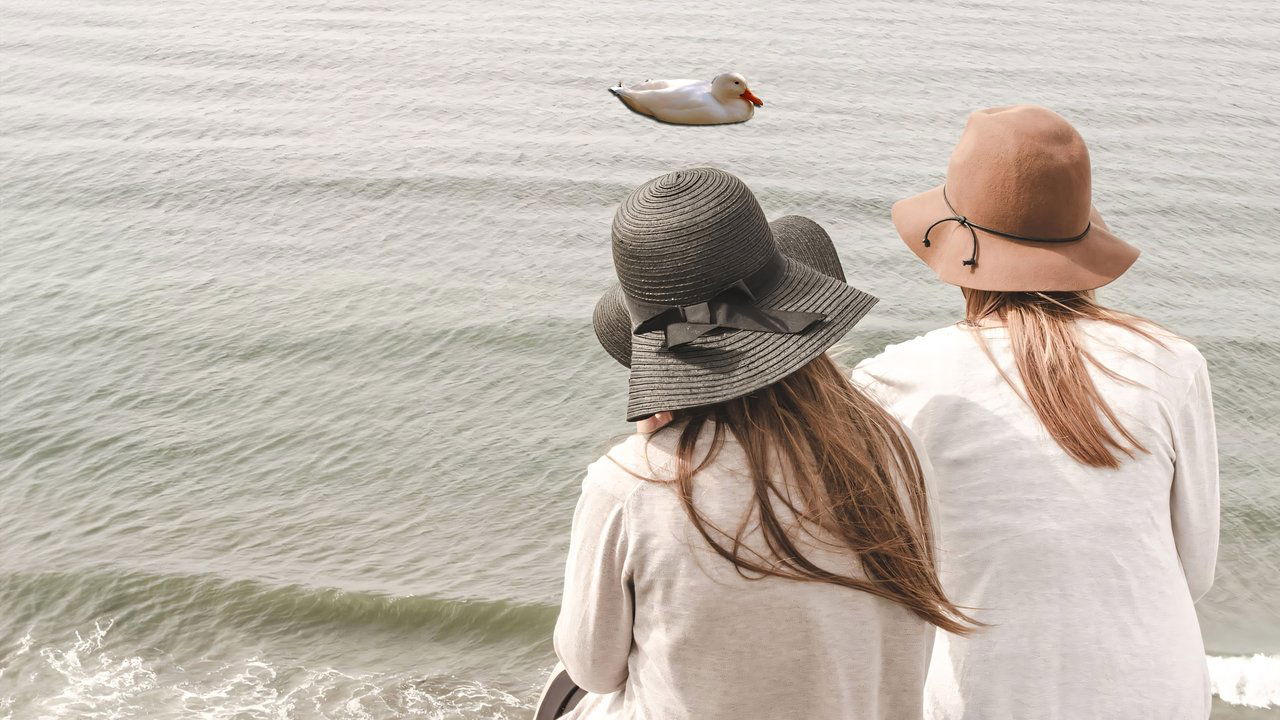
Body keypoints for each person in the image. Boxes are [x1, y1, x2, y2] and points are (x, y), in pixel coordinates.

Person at [552, 167, 975, 720]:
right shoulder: (894, 446)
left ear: (663, 357)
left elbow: (592, 668)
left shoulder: (633, 486)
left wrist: (649, 452)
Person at [851, 105, 1220, 719]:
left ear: (950, 240)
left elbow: (875, 582)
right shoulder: (1172, 365)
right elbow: (1195, 569)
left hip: (988, 697)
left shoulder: (896, 381)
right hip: (1158, 692)